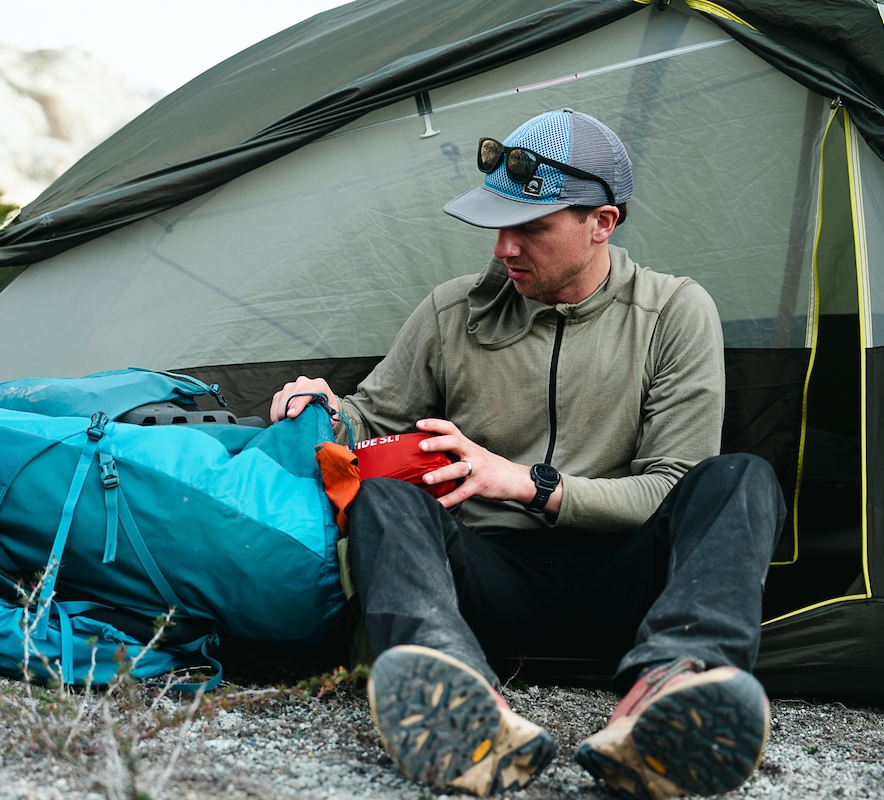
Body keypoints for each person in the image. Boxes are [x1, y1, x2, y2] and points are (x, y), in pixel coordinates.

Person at [270, 109, 786, 800]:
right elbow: (366, 422)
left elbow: (672, 483)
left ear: (601, 223)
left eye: (531, 229)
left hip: (629, 594)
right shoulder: (452, 310)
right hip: (483, 593)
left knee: (740, 479)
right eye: (497, 226)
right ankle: (462, 699)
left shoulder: (674, 312)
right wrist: (323, 408)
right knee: (383, 497)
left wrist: (528, 484)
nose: (503, 248)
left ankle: (671, 690)